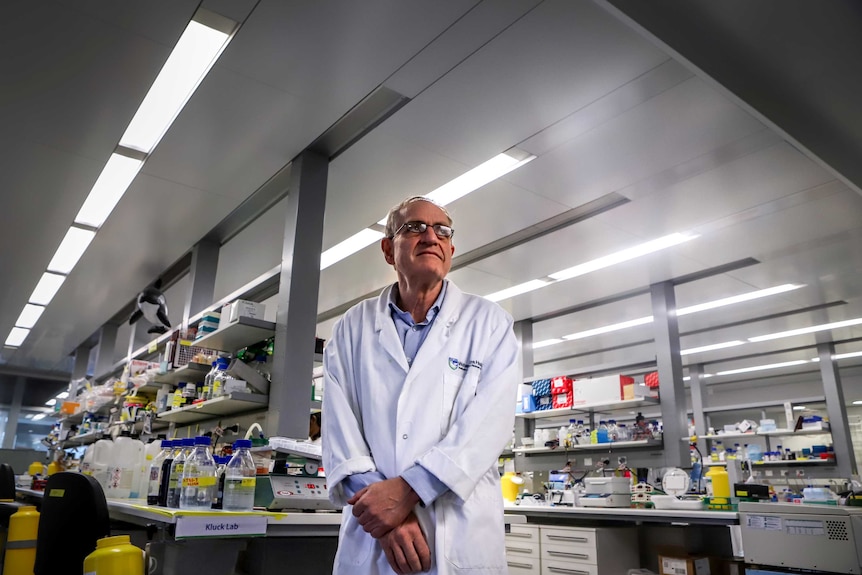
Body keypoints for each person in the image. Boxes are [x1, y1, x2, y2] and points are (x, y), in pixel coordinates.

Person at [323, 196, 520, 575]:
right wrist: (386, 517)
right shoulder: (351, 328)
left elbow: (487, 427)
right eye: (414, 227)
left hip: (458, 538)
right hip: (375, 539)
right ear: (387, 249)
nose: (430, 236)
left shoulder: (490, 324)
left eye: (441, 230)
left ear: (450, 249)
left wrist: (406, 492)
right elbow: (339, 433)